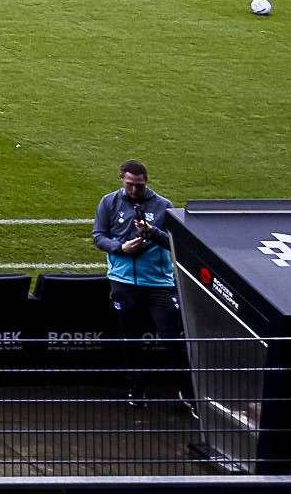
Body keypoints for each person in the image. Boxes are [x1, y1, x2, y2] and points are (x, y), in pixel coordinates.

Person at [94, 160, 181, 405]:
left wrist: (151, 232)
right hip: (123, 281)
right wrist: (120, 247)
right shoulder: (109, 202)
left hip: (158, 283)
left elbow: (174, 243)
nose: (134, 191)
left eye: (139, 186)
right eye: (130, 185)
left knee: (172, 338)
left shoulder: (164, 206)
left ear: (147, 181)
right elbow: (99, 236)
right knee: (130, 338)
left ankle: (187, 390)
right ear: (121, 178)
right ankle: (136, 387)